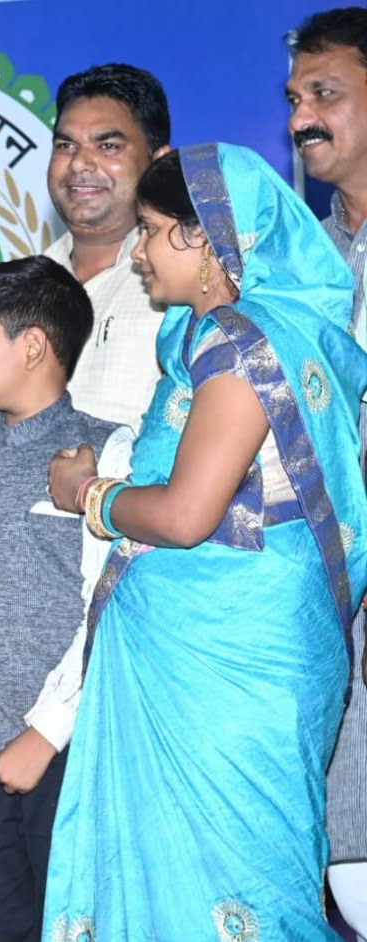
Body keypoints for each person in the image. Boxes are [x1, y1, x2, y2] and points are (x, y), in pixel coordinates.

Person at [43, 144, 367, 938]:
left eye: (153, 231)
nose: (139, 252)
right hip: (227, 652)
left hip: (226, 660)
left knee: (242, 888)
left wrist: (89, 495)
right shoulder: (274, 335)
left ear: (208, 238)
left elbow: (188, 514)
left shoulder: (240, 344)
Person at [0, 255, 122, 940]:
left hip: (69, 749)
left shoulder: (106, 452)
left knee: (75, 923)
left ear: (32, 345)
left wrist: (45, 733)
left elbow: (109, 606)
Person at [288, 12, 367, 934]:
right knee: (346, 861)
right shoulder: (299, 264)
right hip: (322, 604)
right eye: (295, 98)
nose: (302, 118)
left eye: (325, 94)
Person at [43, 63, 170, 430]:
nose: (80, 163)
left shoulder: (191, 283)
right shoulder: (23, 282)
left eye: (108, 146)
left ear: (158, 161)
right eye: (65, 145)